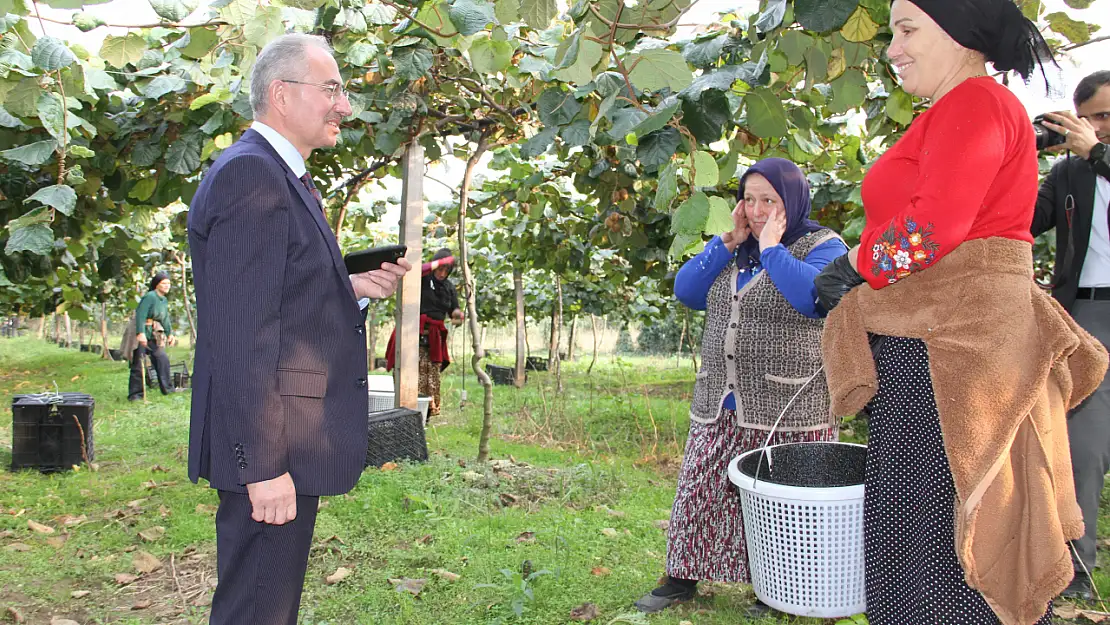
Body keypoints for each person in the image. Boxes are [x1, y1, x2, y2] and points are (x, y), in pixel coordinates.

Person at [815, 2, 1108, 623]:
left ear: (961, 33)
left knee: (944, 533)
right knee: (925, 526)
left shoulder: (975, 103)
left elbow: (932, 226)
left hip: (949, 347)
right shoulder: (960, 109)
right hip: (935, 338)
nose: (892, 48)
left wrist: (858, 265)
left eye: (906, 29)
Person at [186, 34, 411, 625]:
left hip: (284, 437)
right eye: (331, 89)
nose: (345, 105)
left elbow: (276, 300)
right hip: (272, 444)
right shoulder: (253, 179)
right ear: (282, 95)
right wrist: (262, 467)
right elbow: (242, 336)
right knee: (258, 608)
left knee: (263, 602)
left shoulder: (279, 175)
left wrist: (351, 288)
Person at [635, 158, 847, 616]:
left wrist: (773, 250)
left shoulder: (824, 246)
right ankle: (680, 578)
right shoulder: (736, 248)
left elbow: (814, 299)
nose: (756, 210)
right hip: (721, 398)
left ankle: (782, 592)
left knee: (783, 506)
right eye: (748, 199)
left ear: (791, 200)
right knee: (699, 488)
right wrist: (725, 243)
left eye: (768, 200)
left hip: (790, 402)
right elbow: (687, 292)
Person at [1031, 70, 1110, 600]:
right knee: (1082, 442)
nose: (1100, 126)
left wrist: (1099, 154)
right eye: (1094, 117)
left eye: (1107, 116)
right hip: (1085, 315)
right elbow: (1026, 220)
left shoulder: (1096, 160)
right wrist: (1015, 157)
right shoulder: (1067, 173)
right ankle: (1078, 566)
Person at [385, 248, 462, 418]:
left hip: (433, 340)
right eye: (440, 269)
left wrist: (457, 314)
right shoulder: (422, 279)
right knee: (411, 375)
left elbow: (453, 309)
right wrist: (438, 262)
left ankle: (425, 415)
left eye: (446, 270)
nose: (442, 273)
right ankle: (406, 412)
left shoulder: (448, 287)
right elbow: (415, 270)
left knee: (431, 379)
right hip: (412, 335)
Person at [127, 272, 176, 401]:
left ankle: (168, 389)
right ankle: (135, 395)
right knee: (138, 363)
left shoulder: (163, 300)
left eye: (168, 283)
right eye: (163, 283)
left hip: (152, 333)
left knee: (162, 358)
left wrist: (169, 333)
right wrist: (140, 333)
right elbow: (140, 315)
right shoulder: (150, 296)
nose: (166, 286)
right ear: (156, 284)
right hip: (141, 331)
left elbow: (165, 319)